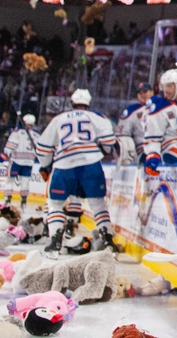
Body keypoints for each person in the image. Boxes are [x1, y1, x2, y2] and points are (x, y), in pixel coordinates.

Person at [36, 89, 119, 256]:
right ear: (88, 104)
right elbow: (109, 140)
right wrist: (102, 151)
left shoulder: (58, 119)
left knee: (56, 204)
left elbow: (43, 147)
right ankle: (107, 238)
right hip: (91, 163)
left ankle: (55, 241)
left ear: (72, 103)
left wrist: (45, 166)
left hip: (63, 164)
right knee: (98, 203)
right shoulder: (96, 116)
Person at [0, 113, 39, 210]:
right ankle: (23, 202)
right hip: (28, 163)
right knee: (25, 182)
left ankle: (7, 201)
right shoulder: (36, 135)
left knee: (9, 180)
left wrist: (2, 156)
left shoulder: (17, 132)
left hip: (16, 161)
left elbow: (10, 147)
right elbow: (38, 150)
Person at [115, 82, 152, 165]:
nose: (142, 95)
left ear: (152, 92)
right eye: (139, 93)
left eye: (145, 92)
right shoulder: (132, 110)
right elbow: (121, 134)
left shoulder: (162, 106)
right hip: (143, 150)